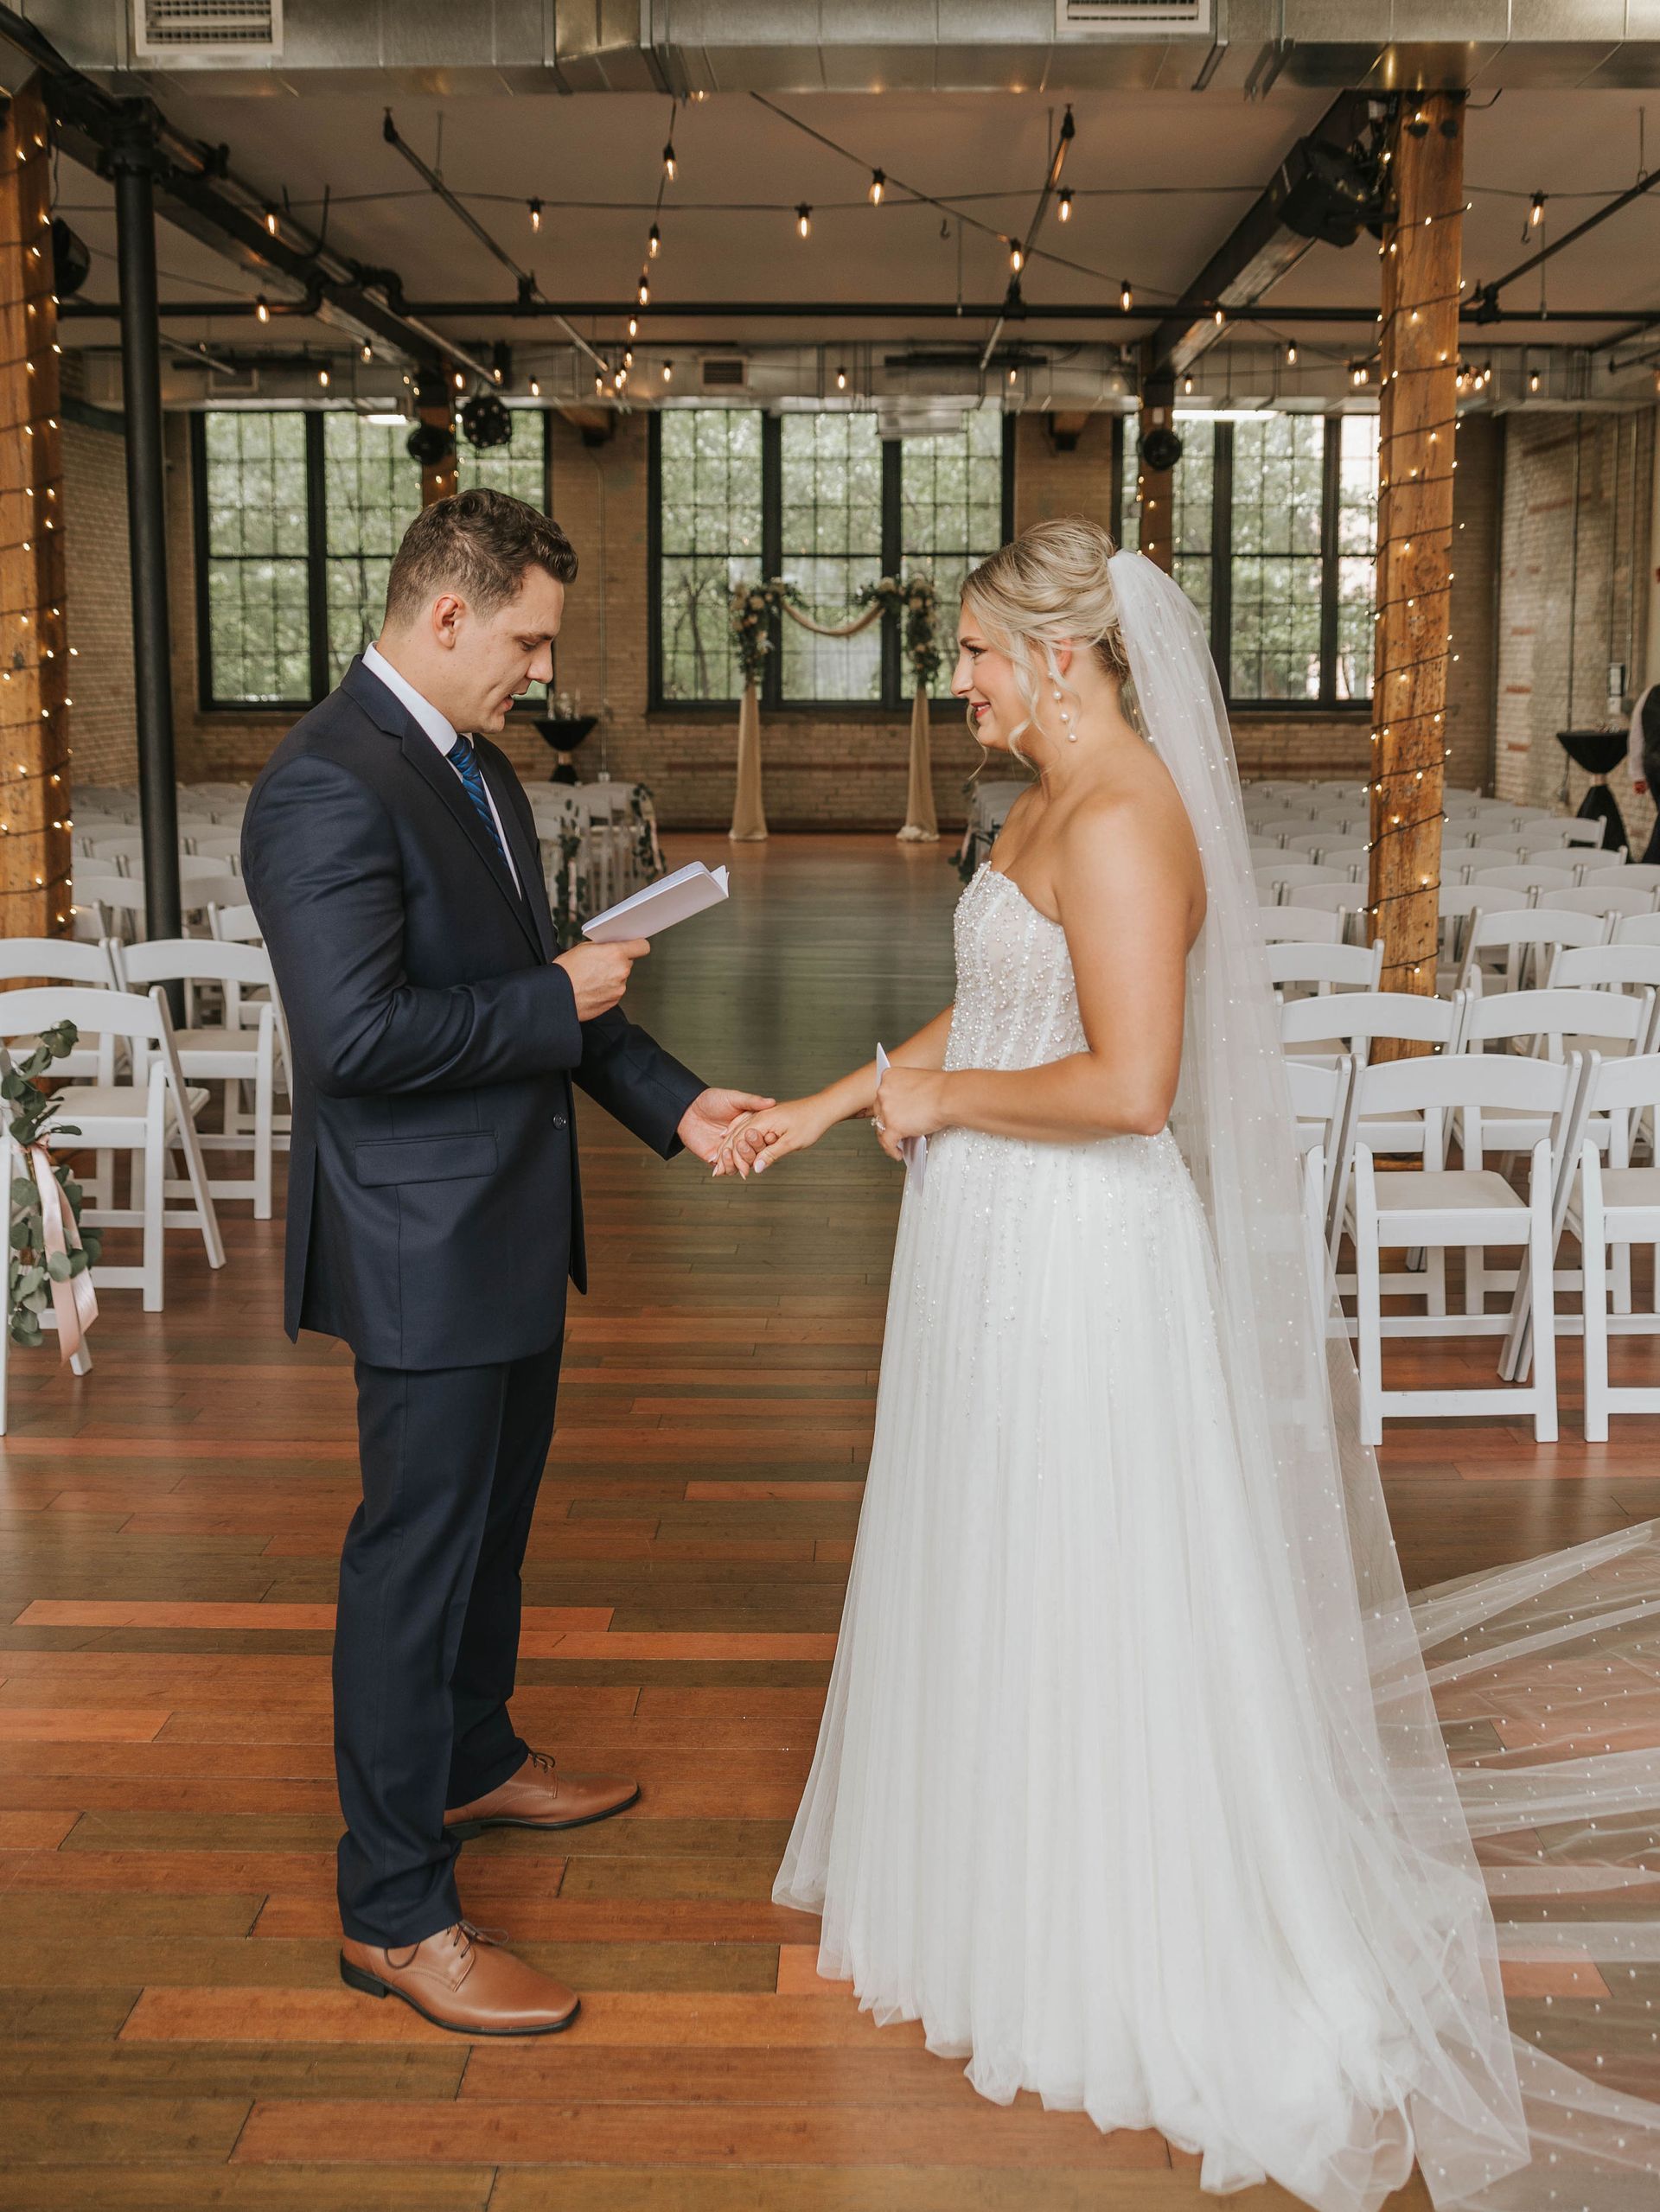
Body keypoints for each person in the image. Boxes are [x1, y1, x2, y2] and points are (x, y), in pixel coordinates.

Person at [714, 520, 1660, 2209]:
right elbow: (997, 1015)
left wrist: (939, 1109)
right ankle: (995, 1889)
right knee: (994, 1557)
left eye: (982, 654)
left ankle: (1118, 1929)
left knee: (1091, 1570)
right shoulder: (1033, 803)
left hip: (1081, 1247)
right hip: (984, 1236)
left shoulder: (1137, 815)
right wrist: (840, 1099)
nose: (964, 680)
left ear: (1064, 656)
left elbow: (1129, 1083)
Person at [242, 489, 770, 2038]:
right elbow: (356, 1045)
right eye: (529, 637)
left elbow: (539, 987)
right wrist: (556, 991)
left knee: (492, 1525)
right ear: (448, 611)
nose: (543, 667)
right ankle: (394, 1908)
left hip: (506, 1224)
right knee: (412, 1561)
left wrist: (682, 1107)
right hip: (417, 1237)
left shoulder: (473, 762)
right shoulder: (327, 782)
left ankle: (473, 1750)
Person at [1626, 677, 1660, 862]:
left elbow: (1636, 736)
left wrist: (1638, 774)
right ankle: (1650, 867)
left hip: (1653, 767)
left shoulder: (1650, 693)